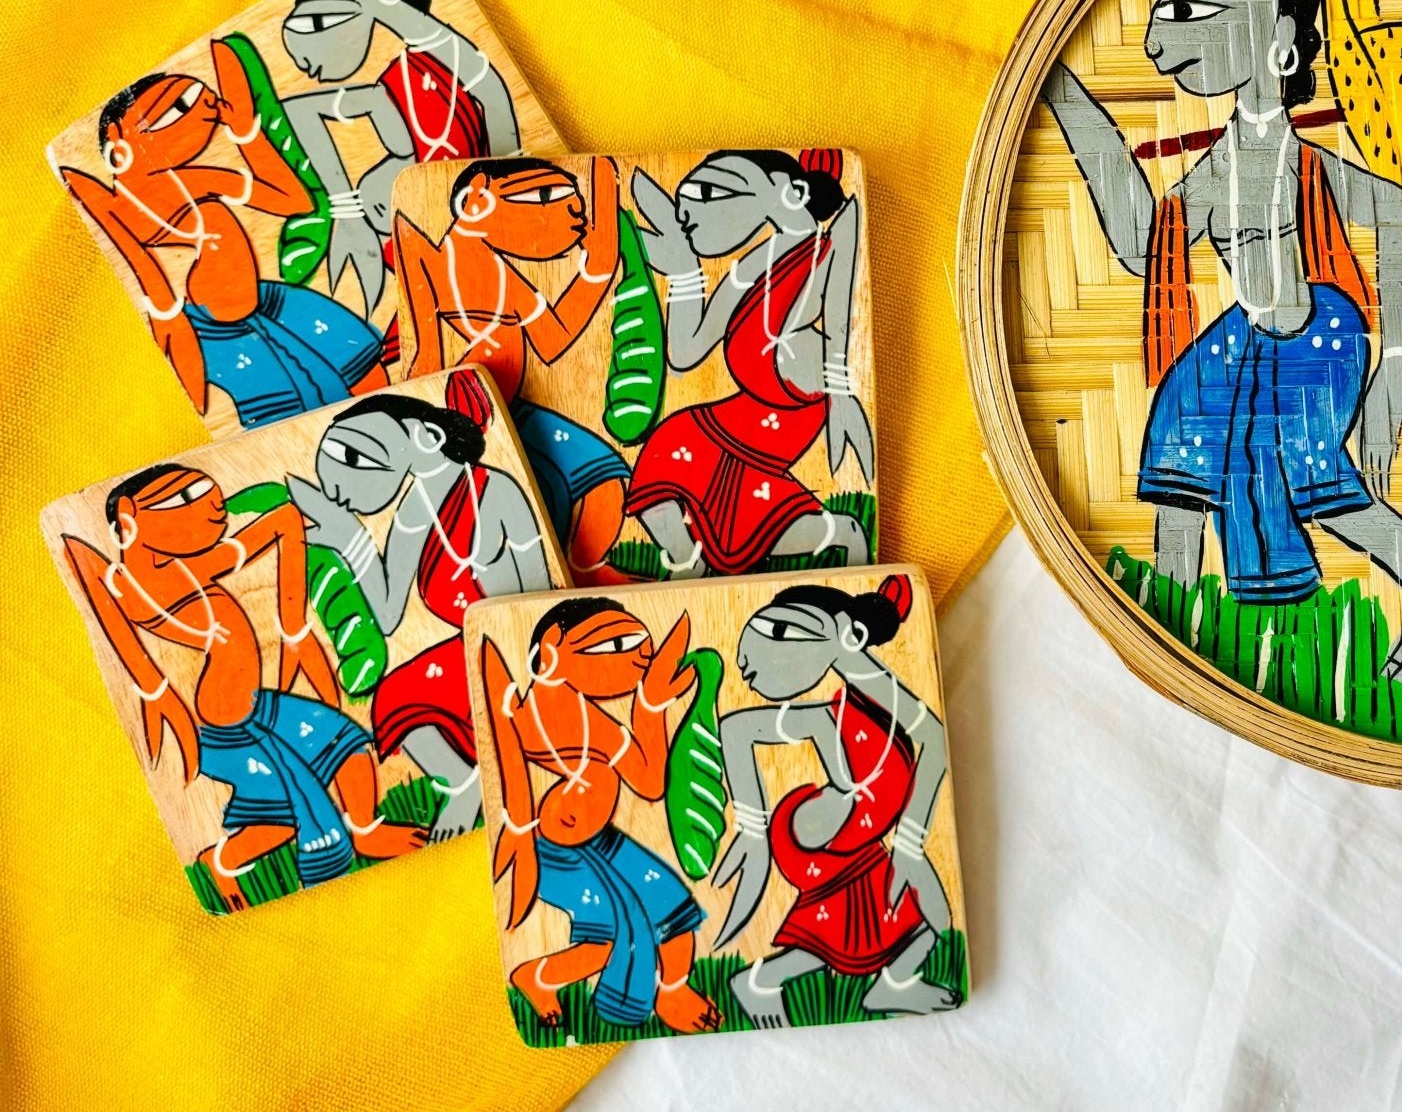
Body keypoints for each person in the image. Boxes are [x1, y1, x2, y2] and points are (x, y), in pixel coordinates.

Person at [1044, 0, 1402, 686]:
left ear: (1280, 43)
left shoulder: (1306, 165)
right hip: (1244, 336)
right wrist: (1073, 110)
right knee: (1178, 445)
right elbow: (1142, 244)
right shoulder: (1213, 173)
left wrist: (1401, 359)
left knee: (1312, 473)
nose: (1165, 32)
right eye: (1169, 11)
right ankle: (1172, 623)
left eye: (1195, 10)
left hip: (1320, 332)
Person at [59, 463, 427, 908]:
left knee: (339, 752)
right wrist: (157, 694)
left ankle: (360, 830)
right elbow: (88, 571)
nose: (213, 503)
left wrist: (293, 626)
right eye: (180, 499)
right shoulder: (135, 584)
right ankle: (227, 860)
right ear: (131, 515)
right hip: (227, 723)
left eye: (206, 491)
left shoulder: (186, 569)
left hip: (253, 705)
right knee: (291, 804)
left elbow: (285, 521)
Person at [286, 370, 552, 838]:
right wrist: (352, 541)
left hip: (529, 640)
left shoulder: (498, 489)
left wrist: (528, 648)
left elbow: (546, 583)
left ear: (426, 436)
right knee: (396, 697)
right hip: (468, 646)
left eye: (351, 455)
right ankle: (464, 781)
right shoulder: (413, 511)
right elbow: (387, 615)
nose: (339, 489)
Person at [60, 45, 386, 426]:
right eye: (176, 107)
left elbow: (292, 201)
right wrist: (174, 334)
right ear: (119, 139)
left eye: (204, 99)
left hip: (265, 298)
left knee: (359, 365)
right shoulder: (122, 205)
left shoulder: (201, 179)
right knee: (286, 407)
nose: (205, 109)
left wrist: (246, 131)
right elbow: (145, 274)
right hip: (214, 326)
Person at [712, 576, 958, 1024]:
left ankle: (884, 985)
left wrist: (911, 837)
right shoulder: (832, 713)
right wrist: (752, 829)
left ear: (850, 634)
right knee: (912, 913)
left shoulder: (867, 699)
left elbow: (935, 741)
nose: (750, 664)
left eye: (785, 630)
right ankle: (761, 984)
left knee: (888, 922)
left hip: (860, 836)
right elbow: (736, 728)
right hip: (822, 831)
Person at [625, 150, 874, 578]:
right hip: (747, 409)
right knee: (672, 455)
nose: (688, 213)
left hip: (789, 409)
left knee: (699, 462)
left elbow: (838, 323)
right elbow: (685, 352)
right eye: (684, 205)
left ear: (791, 192)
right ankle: (691, 569)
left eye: (708, 191)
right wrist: (685, 272)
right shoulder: (749, 267)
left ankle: (844, 537)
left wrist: (840, 393)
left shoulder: (827, 245)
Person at [479, 598, 719, 1035]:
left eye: (639, 645)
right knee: (608, 934)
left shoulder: (593, 719)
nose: (639, 657)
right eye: (615, 643)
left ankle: (672, 990)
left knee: (671, 902)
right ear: (551, 650)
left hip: (601, 839)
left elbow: (649, 782)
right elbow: (512, 768)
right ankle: (538, 977)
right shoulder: (535, 711)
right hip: (552, 850)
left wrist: (649, 707)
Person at [394, 157, 631, 582]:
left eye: (571, 198)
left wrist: (598, 267)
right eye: (544, 195)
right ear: (479, 199)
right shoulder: (430, 257)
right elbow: (424, 361)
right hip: (470, 416)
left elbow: (553, 339)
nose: (573, 211)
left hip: (515, 408)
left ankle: (587, 567)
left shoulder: (506, 277)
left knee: (599, 479)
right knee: (552, 487)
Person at [277, 0, 525, 314]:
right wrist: (348, 210)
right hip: (420, 251)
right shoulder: (399, 80)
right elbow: (300, 109)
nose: (304, 60)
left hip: (460, 245)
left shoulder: (453, 71)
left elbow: (508, 141)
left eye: (317, 20)